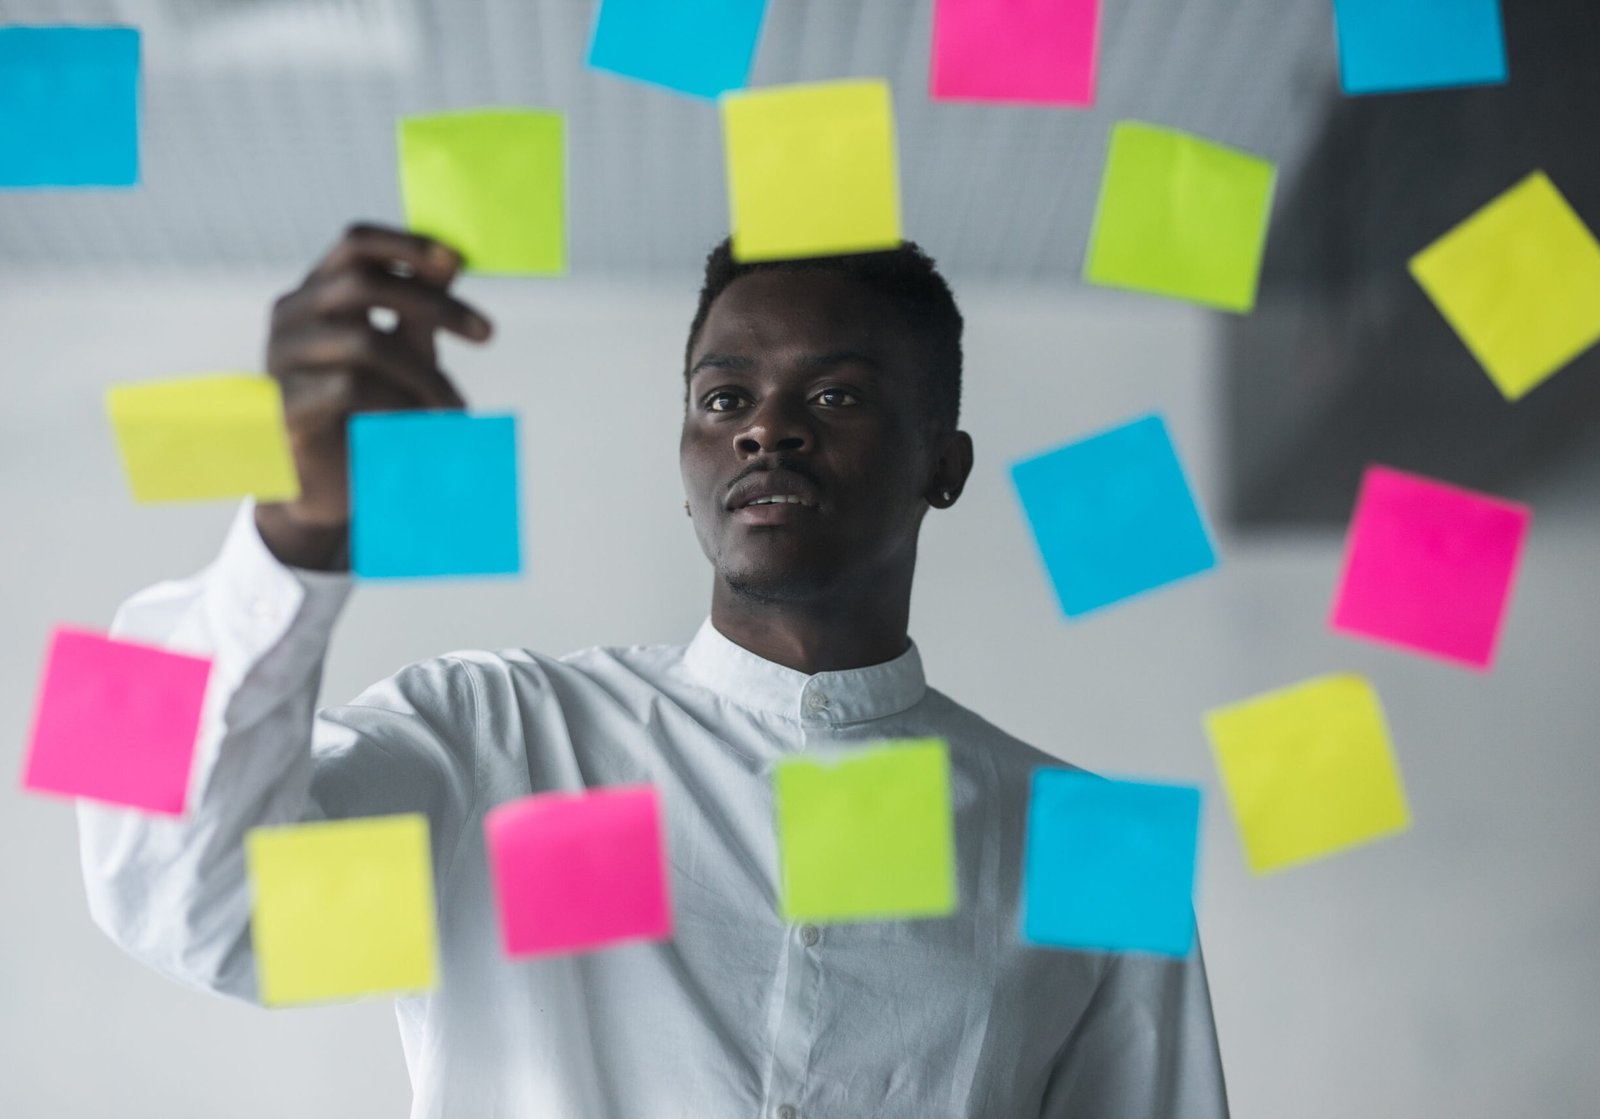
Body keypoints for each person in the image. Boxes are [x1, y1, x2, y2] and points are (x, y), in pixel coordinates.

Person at [78, 223, 1229, 1117]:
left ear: (945, 463)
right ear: (684, 460)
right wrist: (287, 532)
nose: (763, 431)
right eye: (724, 398)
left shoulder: (1094, 846)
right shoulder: (499, 742)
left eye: (833, 396)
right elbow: (192, 913)